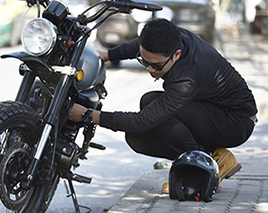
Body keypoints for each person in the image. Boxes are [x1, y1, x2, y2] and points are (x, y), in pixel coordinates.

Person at [68, 18, 257, 191]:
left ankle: (201, 167)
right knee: (137, 137)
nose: (150, 69)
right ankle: (218, 157)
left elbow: (143, 120)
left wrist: (89, 115)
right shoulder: (173, 37)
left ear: (176, 55)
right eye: (145, 62)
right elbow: (140, 45)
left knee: (151, 106)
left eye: (157, 66)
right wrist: (106, 55)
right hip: (212, 110)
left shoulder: (186, 79)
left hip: (235, 122)